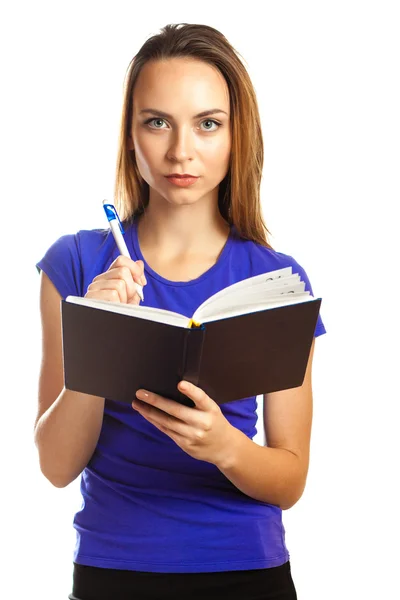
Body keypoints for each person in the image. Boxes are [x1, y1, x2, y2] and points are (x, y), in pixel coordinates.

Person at [34, 23, 326, 600]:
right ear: (131, 133)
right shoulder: (73, 264)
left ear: (237, 135)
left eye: (208, 124)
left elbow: (290, 479)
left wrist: (225, 447)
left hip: (246, 572)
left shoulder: (277, 280)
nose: (180, 151)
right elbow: (56, 466)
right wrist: (99, 332)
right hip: (113, 572)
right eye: (157, 122)